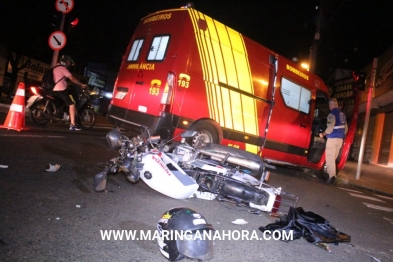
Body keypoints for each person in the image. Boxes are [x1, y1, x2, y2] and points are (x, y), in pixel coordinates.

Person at [53, 55, 87, 131]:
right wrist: (81, 84)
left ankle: (61, 114)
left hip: (53, 89)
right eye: (68, 62)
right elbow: (72, 78)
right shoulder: (63, 68)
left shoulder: (55, 67)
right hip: (60, 89)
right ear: (64, 61)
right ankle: (72, 125)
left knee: (65, 100)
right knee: (72, 103)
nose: (68, 64)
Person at [319, 98, 348, 184]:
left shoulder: (332, 115)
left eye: (329, 105)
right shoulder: (342, 114)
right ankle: (330, 175)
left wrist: (323, 134)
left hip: (332, 139)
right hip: (340, 140)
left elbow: (330, 128)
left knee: (330, 158)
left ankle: (331, 177)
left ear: (331, 105)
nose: (329, 106)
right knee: (333, 158)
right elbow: (345, 129)